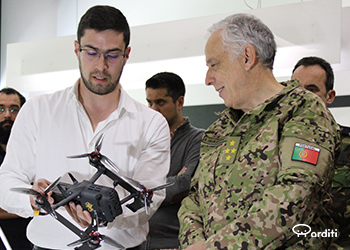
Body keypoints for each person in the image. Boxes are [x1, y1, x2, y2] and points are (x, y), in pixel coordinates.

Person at [0, 5, 170, 250]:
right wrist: (32, 200)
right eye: (91, 52)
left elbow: (148, 201)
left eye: (112, 54)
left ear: (127, 54)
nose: (101, 66)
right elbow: (7, 180)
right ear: (76, 49)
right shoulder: (38, 110)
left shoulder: (151, 123)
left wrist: (108, 215)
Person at [178, 13, 341, 249]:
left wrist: (216, 247)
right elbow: (194, 199)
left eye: (214, 65)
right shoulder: (220, 129)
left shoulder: (303, 111)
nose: (208, 79)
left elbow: (296, 196)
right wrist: (195, 243)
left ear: (247, 57)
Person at [292, 56, 350, 249]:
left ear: (329, 96)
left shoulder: (348, 144)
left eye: (311, 89)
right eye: (295, 89)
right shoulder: (270, 145)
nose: (301, 96)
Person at [141, 72, 204, 249]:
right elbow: (125, 186)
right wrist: (169, 183)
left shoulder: (199, 139)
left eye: (160, 102)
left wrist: (142, 190)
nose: (153, 109)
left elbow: (185, 184)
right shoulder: (140, 143)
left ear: (180, 102)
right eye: (149, 102)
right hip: (136, 242)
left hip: (174, 242)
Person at [0, 88, 32, 250]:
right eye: (1, 109)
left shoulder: (35, 152)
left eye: (14, 109)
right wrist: (33, 207)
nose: (7, 115)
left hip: (32, 239)